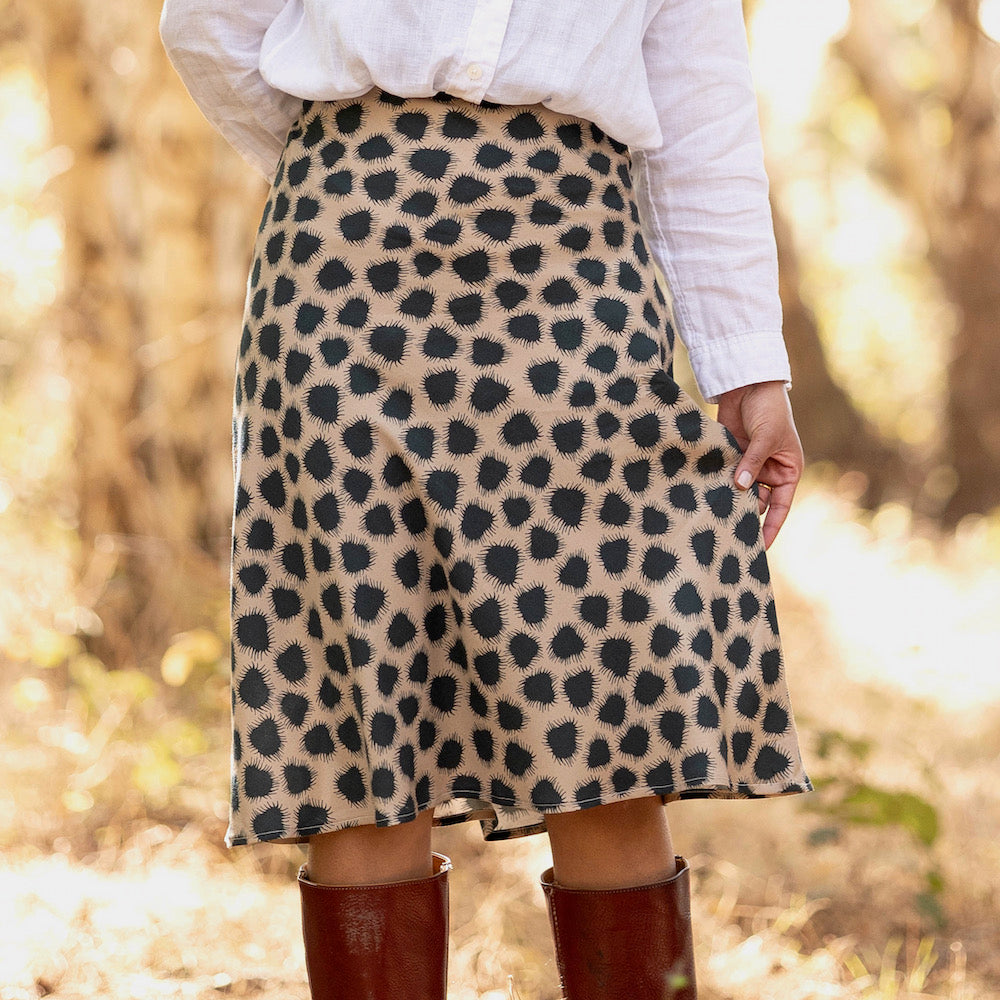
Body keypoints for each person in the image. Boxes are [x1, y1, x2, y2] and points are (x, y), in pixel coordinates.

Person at [158, 1, 813, 996]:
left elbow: (701, 112)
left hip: (580, 282)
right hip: (343, 280)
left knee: (610, 713)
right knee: (362, 731)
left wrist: (749, 368)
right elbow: (206, 24)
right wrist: (350, 154)